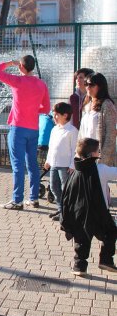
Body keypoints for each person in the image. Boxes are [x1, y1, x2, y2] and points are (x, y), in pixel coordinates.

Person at [0, 55, 50, 210]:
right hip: (33, 129)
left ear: (21, 67)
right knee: (32, 164)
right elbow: (47, 109)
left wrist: (10, 62)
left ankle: (17, 201)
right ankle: (34, 198)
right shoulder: (41, 84)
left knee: (17, 165)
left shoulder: (17, 81)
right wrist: (34, 109)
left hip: (18, 128)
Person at [60, 138, 117, 276]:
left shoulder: (75, 171)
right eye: (98, 151)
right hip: (99, 213)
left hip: (79, 213)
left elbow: (67, 194)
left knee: (81, 239)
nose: (100, 153)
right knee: (111, 232)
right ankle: (106, 260)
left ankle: (79, 267)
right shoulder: (100, 169)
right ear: (93, 155)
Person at [44, 102, 78, 221]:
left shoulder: (72, 131)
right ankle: (61, 209)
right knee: (54, 188)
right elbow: (51, 146)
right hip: (54, 164)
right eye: (54, 114)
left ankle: (67, 213)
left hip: (65, 166)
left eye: (57, 114)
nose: (54, 117)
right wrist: (48, 160)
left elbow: (75, 149)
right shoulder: (54, 129)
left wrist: (72, 165)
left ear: (65, 115)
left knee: (65, 190)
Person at [78, 72, 117, 166]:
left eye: (91, 84)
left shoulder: (107, 105)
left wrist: (102, 159)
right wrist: (78, 153)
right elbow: (81, 132)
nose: (88, 87)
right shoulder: (87, 105)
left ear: (100, 86)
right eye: (86, 84)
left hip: (98, 157)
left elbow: (111, 135)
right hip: (85, 155)